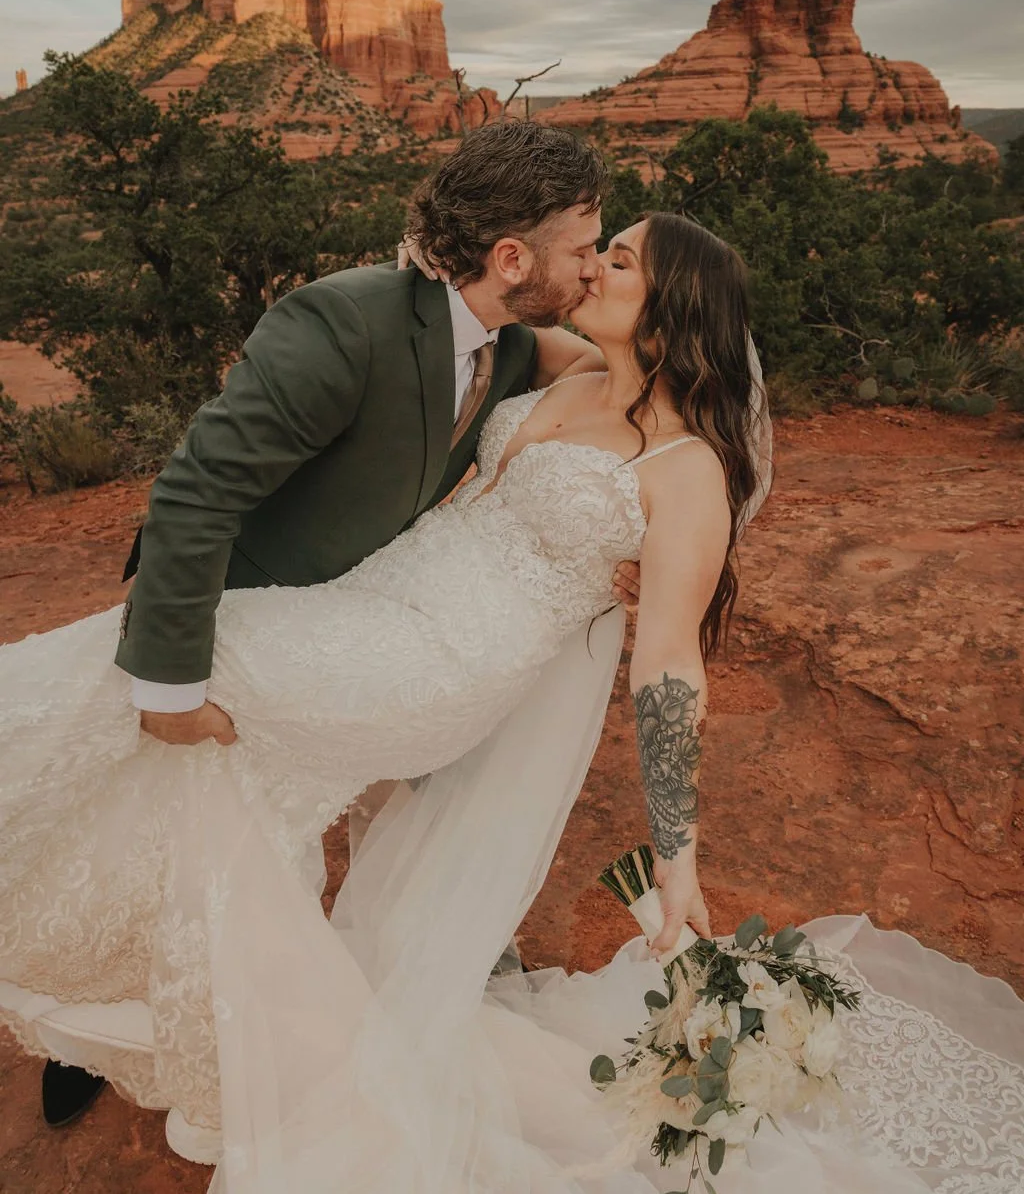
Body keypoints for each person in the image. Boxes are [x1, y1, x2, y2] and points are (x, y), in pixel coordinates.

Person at [2, 215, 1019, 1194]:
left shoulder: (689, 471)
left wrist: (678, 854)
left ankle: (115, 968)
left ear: (668, 313)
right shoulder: (567, 366)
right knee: (211, 749)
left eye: (616, 259)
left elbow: (667, 661)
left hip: (441, 658)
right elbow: (460, 305)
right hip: (372, 600)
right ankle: (154, 992)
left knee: (181, 668)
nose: (594, 269)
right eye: (597, 247)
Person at [26, 116, 643, 1135]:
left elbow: (614, 375)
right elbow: (192, 496)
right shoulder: (341, 323)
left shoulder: (511, 338)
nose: (591, 265)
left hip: (363, 626)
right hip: (237, 614)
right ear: (509, 256)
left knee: (286, 817)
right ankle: (87, 1023)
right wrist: (171, 687)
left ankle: (420, 949)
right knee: (156, 818)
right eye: (584, 246)